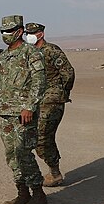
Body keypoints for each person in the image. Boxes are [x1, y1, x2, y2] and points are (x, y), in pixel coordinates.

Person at [0, 15, 47, 204]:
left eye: (9, 31)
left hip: (23, 113)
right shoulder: (3, 57)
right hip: (6, 113)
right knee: (11, 154)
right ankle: (22, 192)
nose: (5, 35)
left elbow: (39, 82)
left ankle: (38, 194)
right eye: (2, 32)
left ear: (19, 31)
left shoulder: (31, 53)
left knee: (24, 153)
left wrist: (30, 106)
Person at [24, 22, 75, 186]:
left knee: (43, 137)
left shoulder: (51, 50)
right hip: (36, 102)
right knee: (37, 138)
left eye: (32, 32)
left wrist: (61, 93)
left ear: (41, 34)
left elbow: (68, 73)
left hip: (52, 101)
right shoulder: (29, 52)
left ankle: (55, 173)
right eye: (27, 33)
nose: (29, 35)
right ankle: (53, 170)